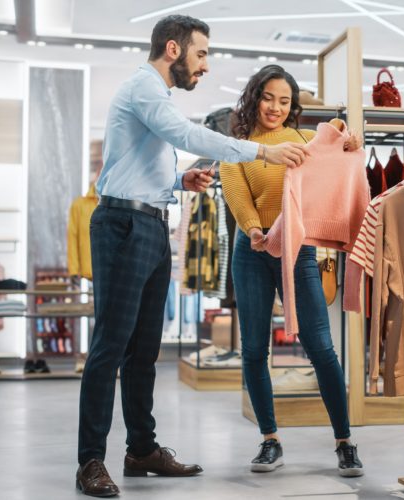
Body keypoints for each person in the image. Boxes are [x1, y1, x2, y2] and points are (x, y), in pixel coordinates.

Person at [76, 16, 309, 498]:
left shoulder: (155, 95)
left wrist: (177, 182)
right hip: (123, 224)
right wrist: (261, 154)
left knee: (144, 351)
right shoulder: (145, 86)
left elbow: (138, 162)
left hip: (150, 222)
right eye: (201, 54)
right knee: (110, 347)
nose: (205, 64)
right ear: (173, 49)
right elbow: (184, 135)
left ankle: (142, 449)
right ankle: (89, 461)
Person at [220, 65, 365, 477]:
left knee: (321, 345)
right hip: (251, 250)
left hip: (298, 251)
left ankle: (345, 442)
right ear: (254, 97)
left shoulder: (303, 140)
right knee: (253, 349)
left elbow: (339, 158)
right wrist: (253, 229)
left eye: (285, 101)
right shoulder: (240, 146)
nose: (276, 107)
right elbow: (237, 194)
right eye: (269, 98)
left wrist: (350, 144)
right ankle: (270, 439)